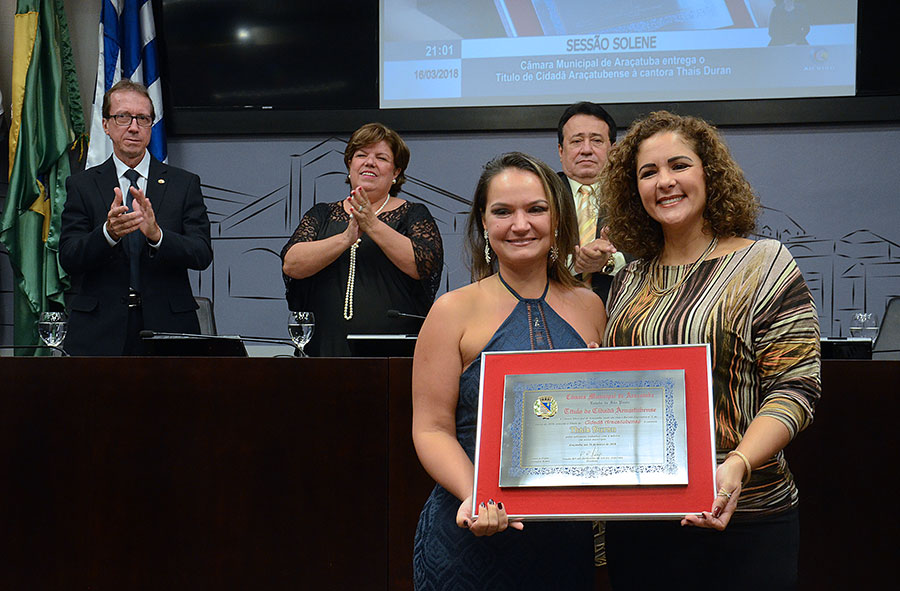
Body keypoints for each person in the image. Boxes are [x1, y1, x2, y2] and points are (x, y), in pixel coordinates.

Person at [599, 111, 820, 590]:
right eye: (648, 172)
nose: (665, 182)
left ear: (709, 174)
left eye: (679, 165)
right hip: (643, 520)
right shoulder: (626, 280)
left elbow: (796, 388)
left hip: (745, 515)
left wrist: (736, 464)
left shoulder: (764, 262)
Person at [412, 152, 607, 589]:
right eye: (503, 211)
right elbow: (432, 429)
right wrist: (475, 494)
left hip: (564, 543)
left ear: (558, 221)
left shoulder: (591, 307)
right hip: (469, 534)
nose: (521, 224)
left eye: (536, 209)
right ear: (483, 223)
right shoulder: (451, 312)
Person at [59, 80, 212, 356]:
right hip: (98, 330)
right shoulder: (81, 185)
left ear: (151, 125)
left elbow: (201, 254)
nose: (133, 126)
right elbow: (69, 257)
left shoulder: (184, 184)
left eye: (143, 118)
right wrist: (108, 233)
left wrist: (158, 236)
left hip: (169, 328)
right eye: (123, 117)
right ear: (106, 125)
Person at [281, 123, 442, 357]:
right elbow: (292, 264)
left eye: (381, 157)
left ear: (396, 172)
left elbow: (423, 265)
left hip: (393, 357)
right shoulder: (322, 213)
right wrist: (346, 238)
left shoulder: (413, 214)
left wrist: (372, 224)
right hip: (324, 352)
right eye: (361, 155)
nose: (369, 162)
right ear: (350, 165)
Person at [557, 101, 628, 304]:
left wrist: (609, 262)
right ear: (561, 151)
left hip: (621, 310)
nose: (586, 150)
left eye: (596, 141)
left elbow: (654, 257)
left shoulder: (635, 196)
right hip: (553, 309)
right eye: (576, 141)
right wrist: (577, 264)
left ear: (613, 150)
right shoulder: (542, 194)